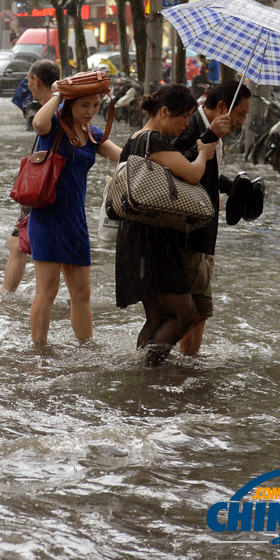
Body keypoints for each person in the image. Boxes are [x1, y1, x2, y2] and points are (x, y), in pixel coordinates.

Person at [115, 84, 212, 365]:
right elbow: (193, 175)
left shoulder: (135, 139)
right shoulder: (153, 141)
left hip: (135, 237)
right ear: (165, 112)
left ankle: (142, 375)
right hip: (152, 240)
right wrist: (204, 152)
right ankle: (149, 369)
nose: (186, 123)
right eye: (184, 116)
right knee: (186, 314)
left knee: (156, 317)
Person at [27, 76, 123, 343]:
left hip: (75, 221)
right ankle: (39, 350)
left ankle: (86, 349)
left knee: (82, 294)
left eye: (95, 105)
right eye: (84, 105)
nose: (90, 112)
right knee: (47, 290)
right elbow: (37, 123)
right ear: (70, 104)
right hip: (47, 217)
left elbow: (124, 156)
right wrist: (58, 94)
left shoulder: (93, 135)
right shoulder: (54, 126)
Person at [173, 81, 253, 356]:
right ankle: (185, 368)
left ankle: (185, 364)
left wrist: (228, 185)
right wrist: (208, 137)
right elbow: (177, 167)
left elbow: (203, 173)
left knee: (197, 310)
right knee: (198, 309)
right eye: (240, 114)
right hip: (190, 233)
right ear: (222, 107)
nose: (241, 122)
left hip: (203, 232)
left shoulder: (208, 132)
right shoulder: (191, 127)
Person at [3, 59, 61, 292]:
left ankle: (8, 297)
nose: (28, 86)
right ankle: (7, 297)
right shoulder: (61, 107)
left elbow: (39, 125)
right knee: (17, 243)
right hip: (46, 187)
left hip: (44, 188)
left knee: (23, 245)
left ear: (35, 80)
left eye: (28, 81)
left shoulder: (52, 110)